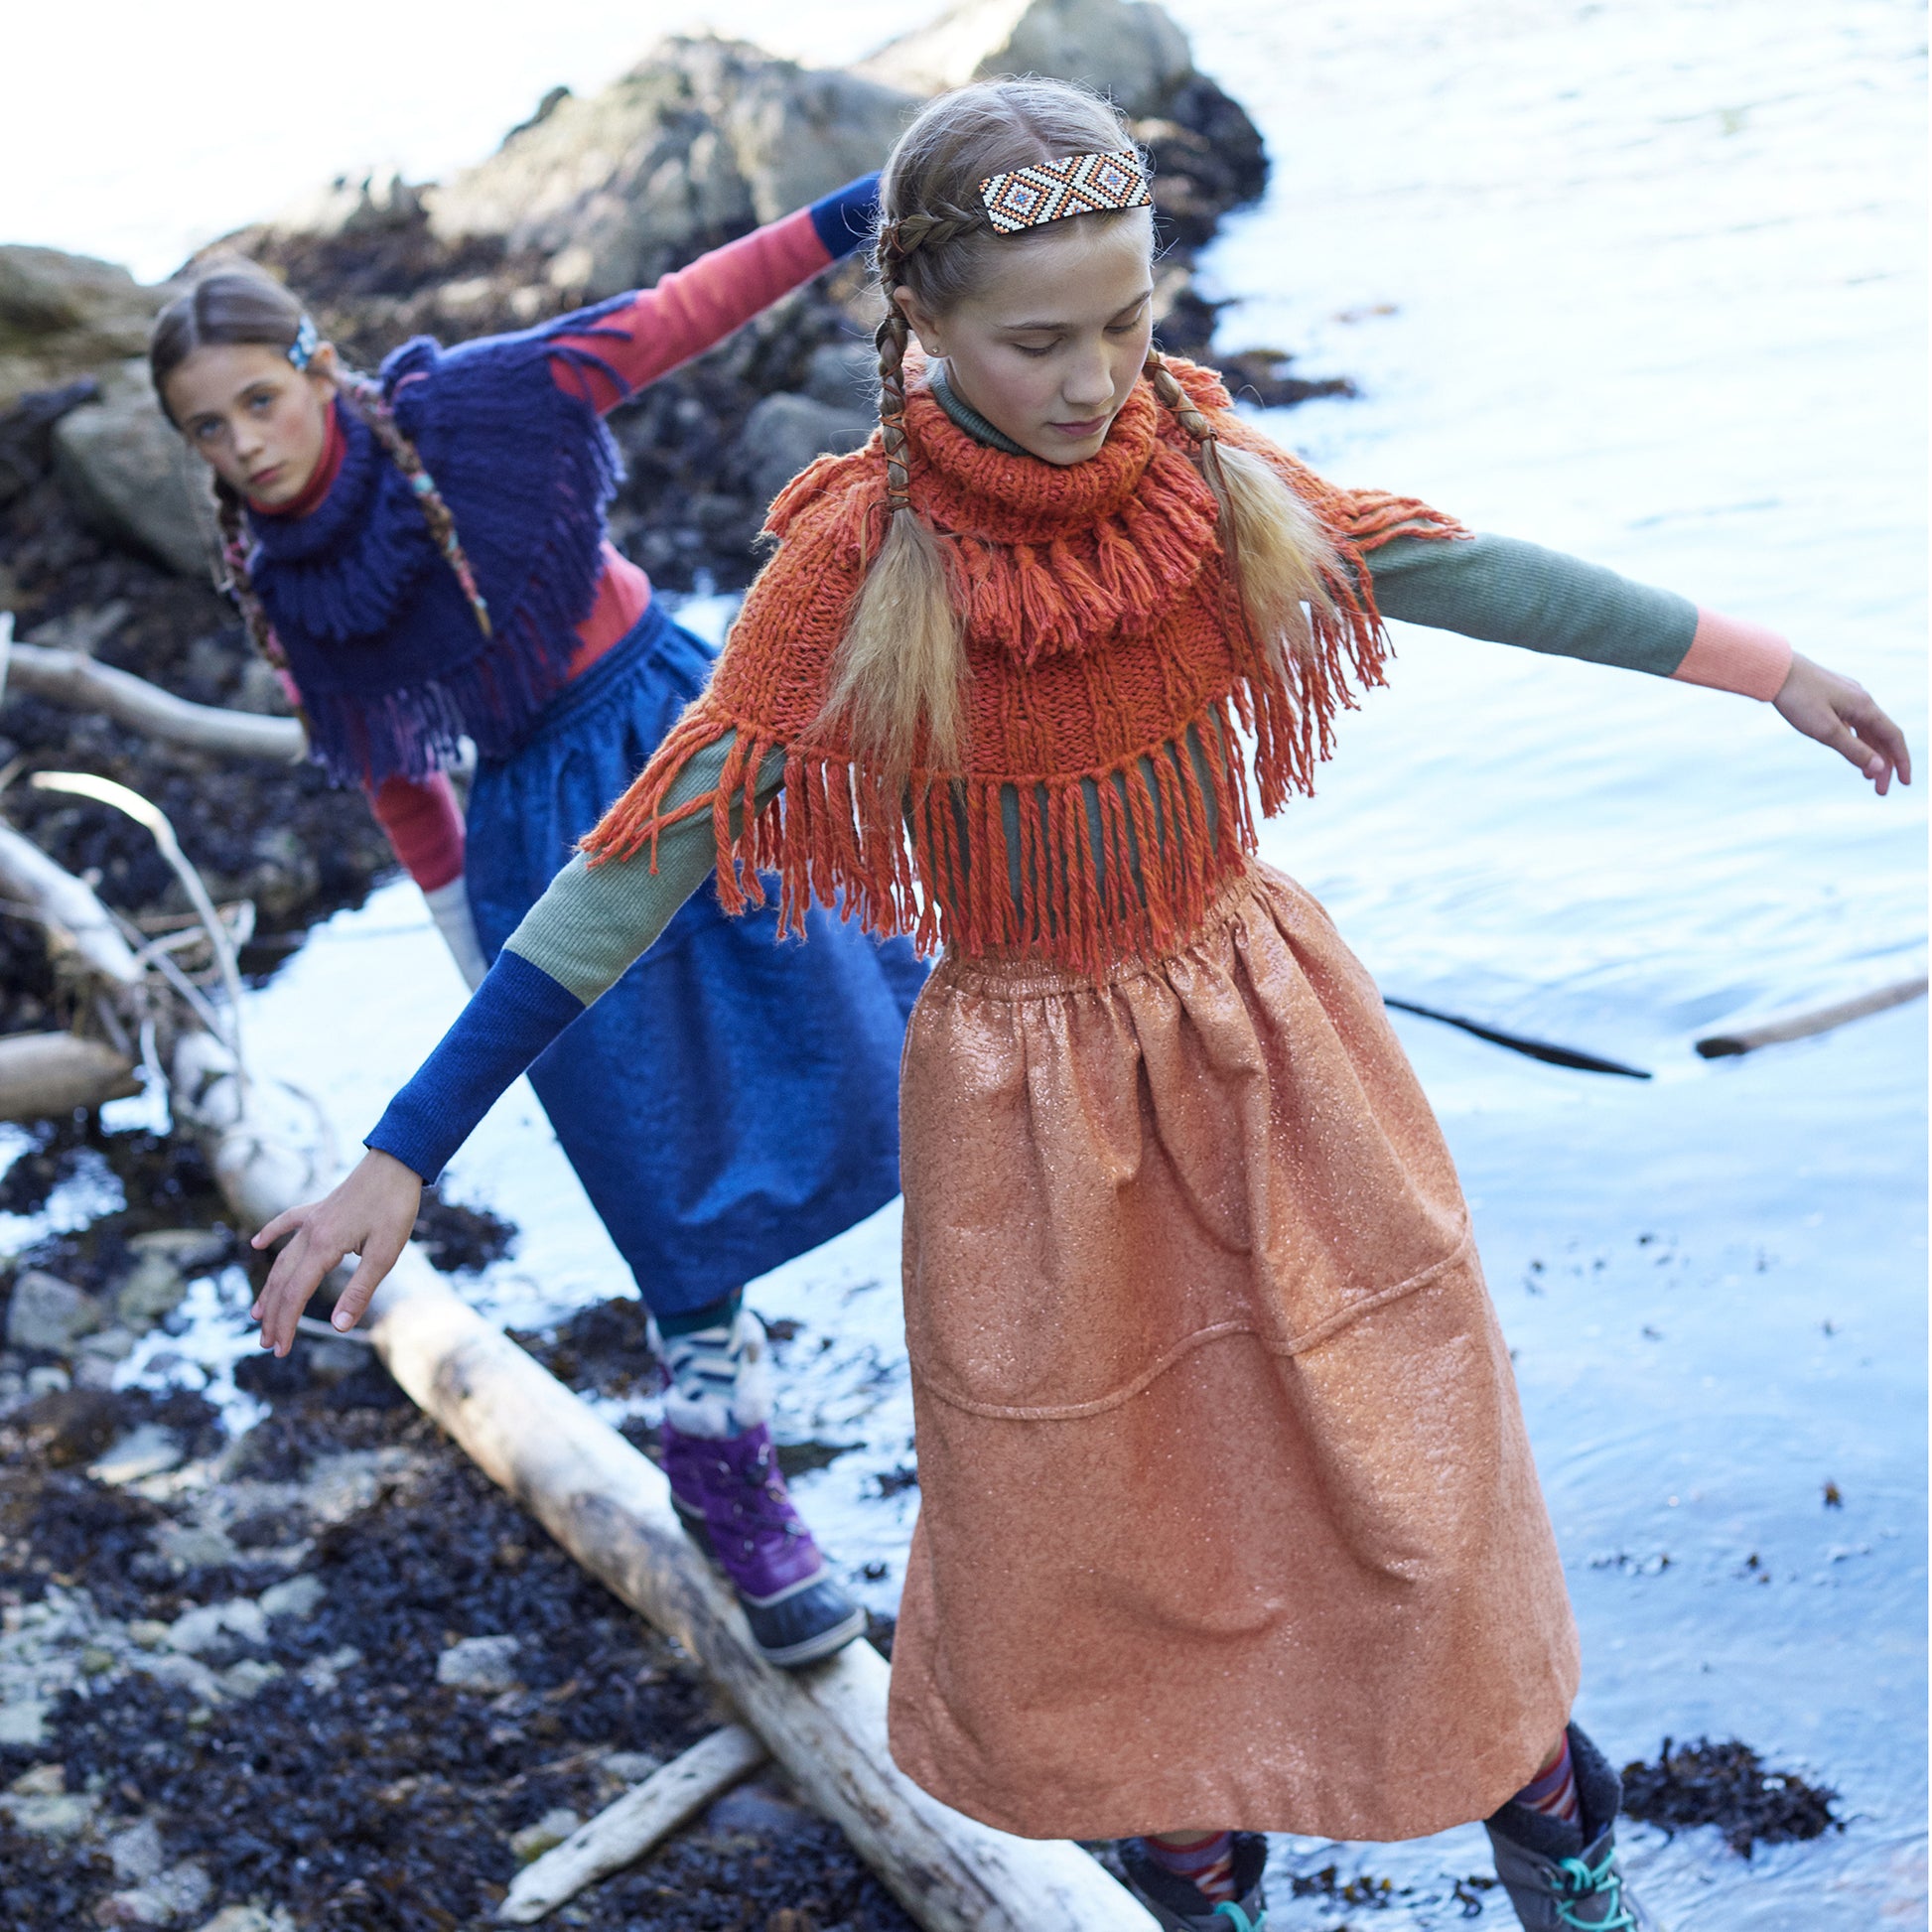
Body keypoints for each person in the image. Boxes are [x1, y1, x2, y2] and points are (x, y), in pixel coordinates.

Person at [247, 80, 1910, 1932]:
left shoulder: (1196, 467)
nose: (1097, 373)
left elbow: (1444, 563)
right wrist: (403, 1149)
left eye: (1131, 319)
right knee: (1109, 1548)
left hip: (1277, 1049)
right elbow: (628, 867)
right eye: (1038, 340)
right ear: (920, 329)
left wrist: (1764, 666)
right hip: (1028, 1122)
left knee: (1411, 1486)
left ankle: (1553, 1836)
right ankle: (1195, 1877)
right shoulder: (857, 566)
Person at [152, 180, 930, 1671]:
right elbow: (402, 791)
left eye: (259, 398)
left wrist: (860, 214)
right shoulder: (283, 583)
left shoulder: (482, 411)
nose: (244, 441)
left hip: (694, 726)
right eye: (207, 428)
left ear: (320, 367)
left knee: (882, 1050)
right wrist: (479, 981)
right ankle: (728, 1482)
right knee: (653, 1164)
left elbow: (673, 311)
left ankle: (1014, 1387)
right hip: (537, 832)